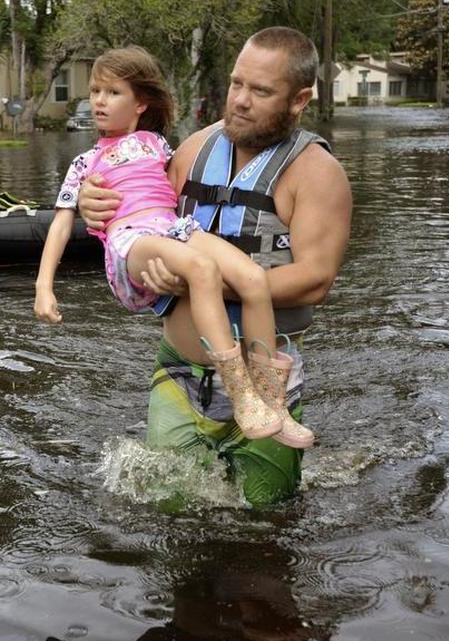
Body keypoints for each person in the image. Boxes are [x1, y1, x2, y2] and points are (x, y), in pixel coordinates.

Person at [76, 27, 352, 506]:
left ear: (299, 99)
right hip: (180, 374)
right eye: (236, 84)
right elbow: (138, 222)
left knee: (267, 518)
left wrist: (201, 283)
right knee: (168, 511)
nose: (241, 101)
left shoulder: (317, 173)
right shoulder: (193, 150)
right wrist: (89, 204)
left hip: (266, 386)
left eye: (261, 91)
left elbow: (315, 280)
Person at [34, 46, 312, 448]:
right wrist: (44, 286)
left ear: (141, 103)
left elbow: (177, 181)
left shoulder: (159, 147)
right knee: (202, 269)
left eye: (112, 92)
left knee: (253, 278)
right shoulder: (84, 164)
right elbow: (61, 223)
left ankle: (273, 403)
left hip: (172, 228)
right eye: (95, 91)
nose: (98, 100)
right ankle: (243, 396)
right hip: (131, 241)